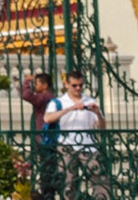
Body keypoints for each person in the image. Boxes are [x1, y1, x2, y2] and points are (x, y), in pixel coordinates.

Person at [44, 71, 107, 200]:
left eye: (80, 85)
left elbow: (102, 127)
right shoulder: (58, 102)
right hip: (66, 146)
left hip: (88, 146)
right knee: (68, 181)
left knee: (99, 179)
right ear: (66, 84)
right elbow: (47, 118)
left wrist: (98, 114)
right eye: (74, 85)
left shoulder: (89, 101)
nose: (78, 88)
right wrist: (71, 108)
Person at [21, 72, 59, 200]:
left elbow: (26, 95)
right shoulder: (49, 96)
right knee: (47, 166)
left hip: (45, 137)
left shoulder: (44, 97)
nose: (35, 86)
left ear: (45, 85)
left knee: (46, 168)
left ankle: (48, 194)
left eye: (37, 84)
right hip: (48, 137)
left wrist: (26, 82)